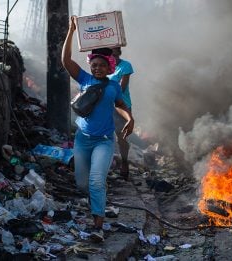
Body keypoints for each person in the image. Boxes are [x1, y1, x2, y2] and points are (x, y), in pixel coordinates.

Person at [61, 16, 134, 242]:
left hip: (104, 140)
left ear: (109, 67)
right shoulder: (84, 79)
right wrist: (71, 31)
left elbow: (120, 105)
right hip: (82, 139)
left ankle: (98, 224)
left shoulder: (113, 86)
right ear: (90, 66)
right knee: (82, 183)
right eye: (94, 65)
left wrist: (129, 118)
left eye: (102, 65)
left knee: (96, 180)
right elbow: (66, 60)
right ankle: (96, 204)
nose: (98, 68)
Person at [108, 47, 134, 181]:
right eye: (110, 55)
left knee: (121, 137)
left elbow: (121, 88)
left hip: (121, 106)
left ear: (119, 53)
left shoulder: (125, 66)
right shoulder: (103, 65)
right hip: (106, 106)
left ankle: (124, 162)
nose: (113, 57)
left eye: (115, 54)